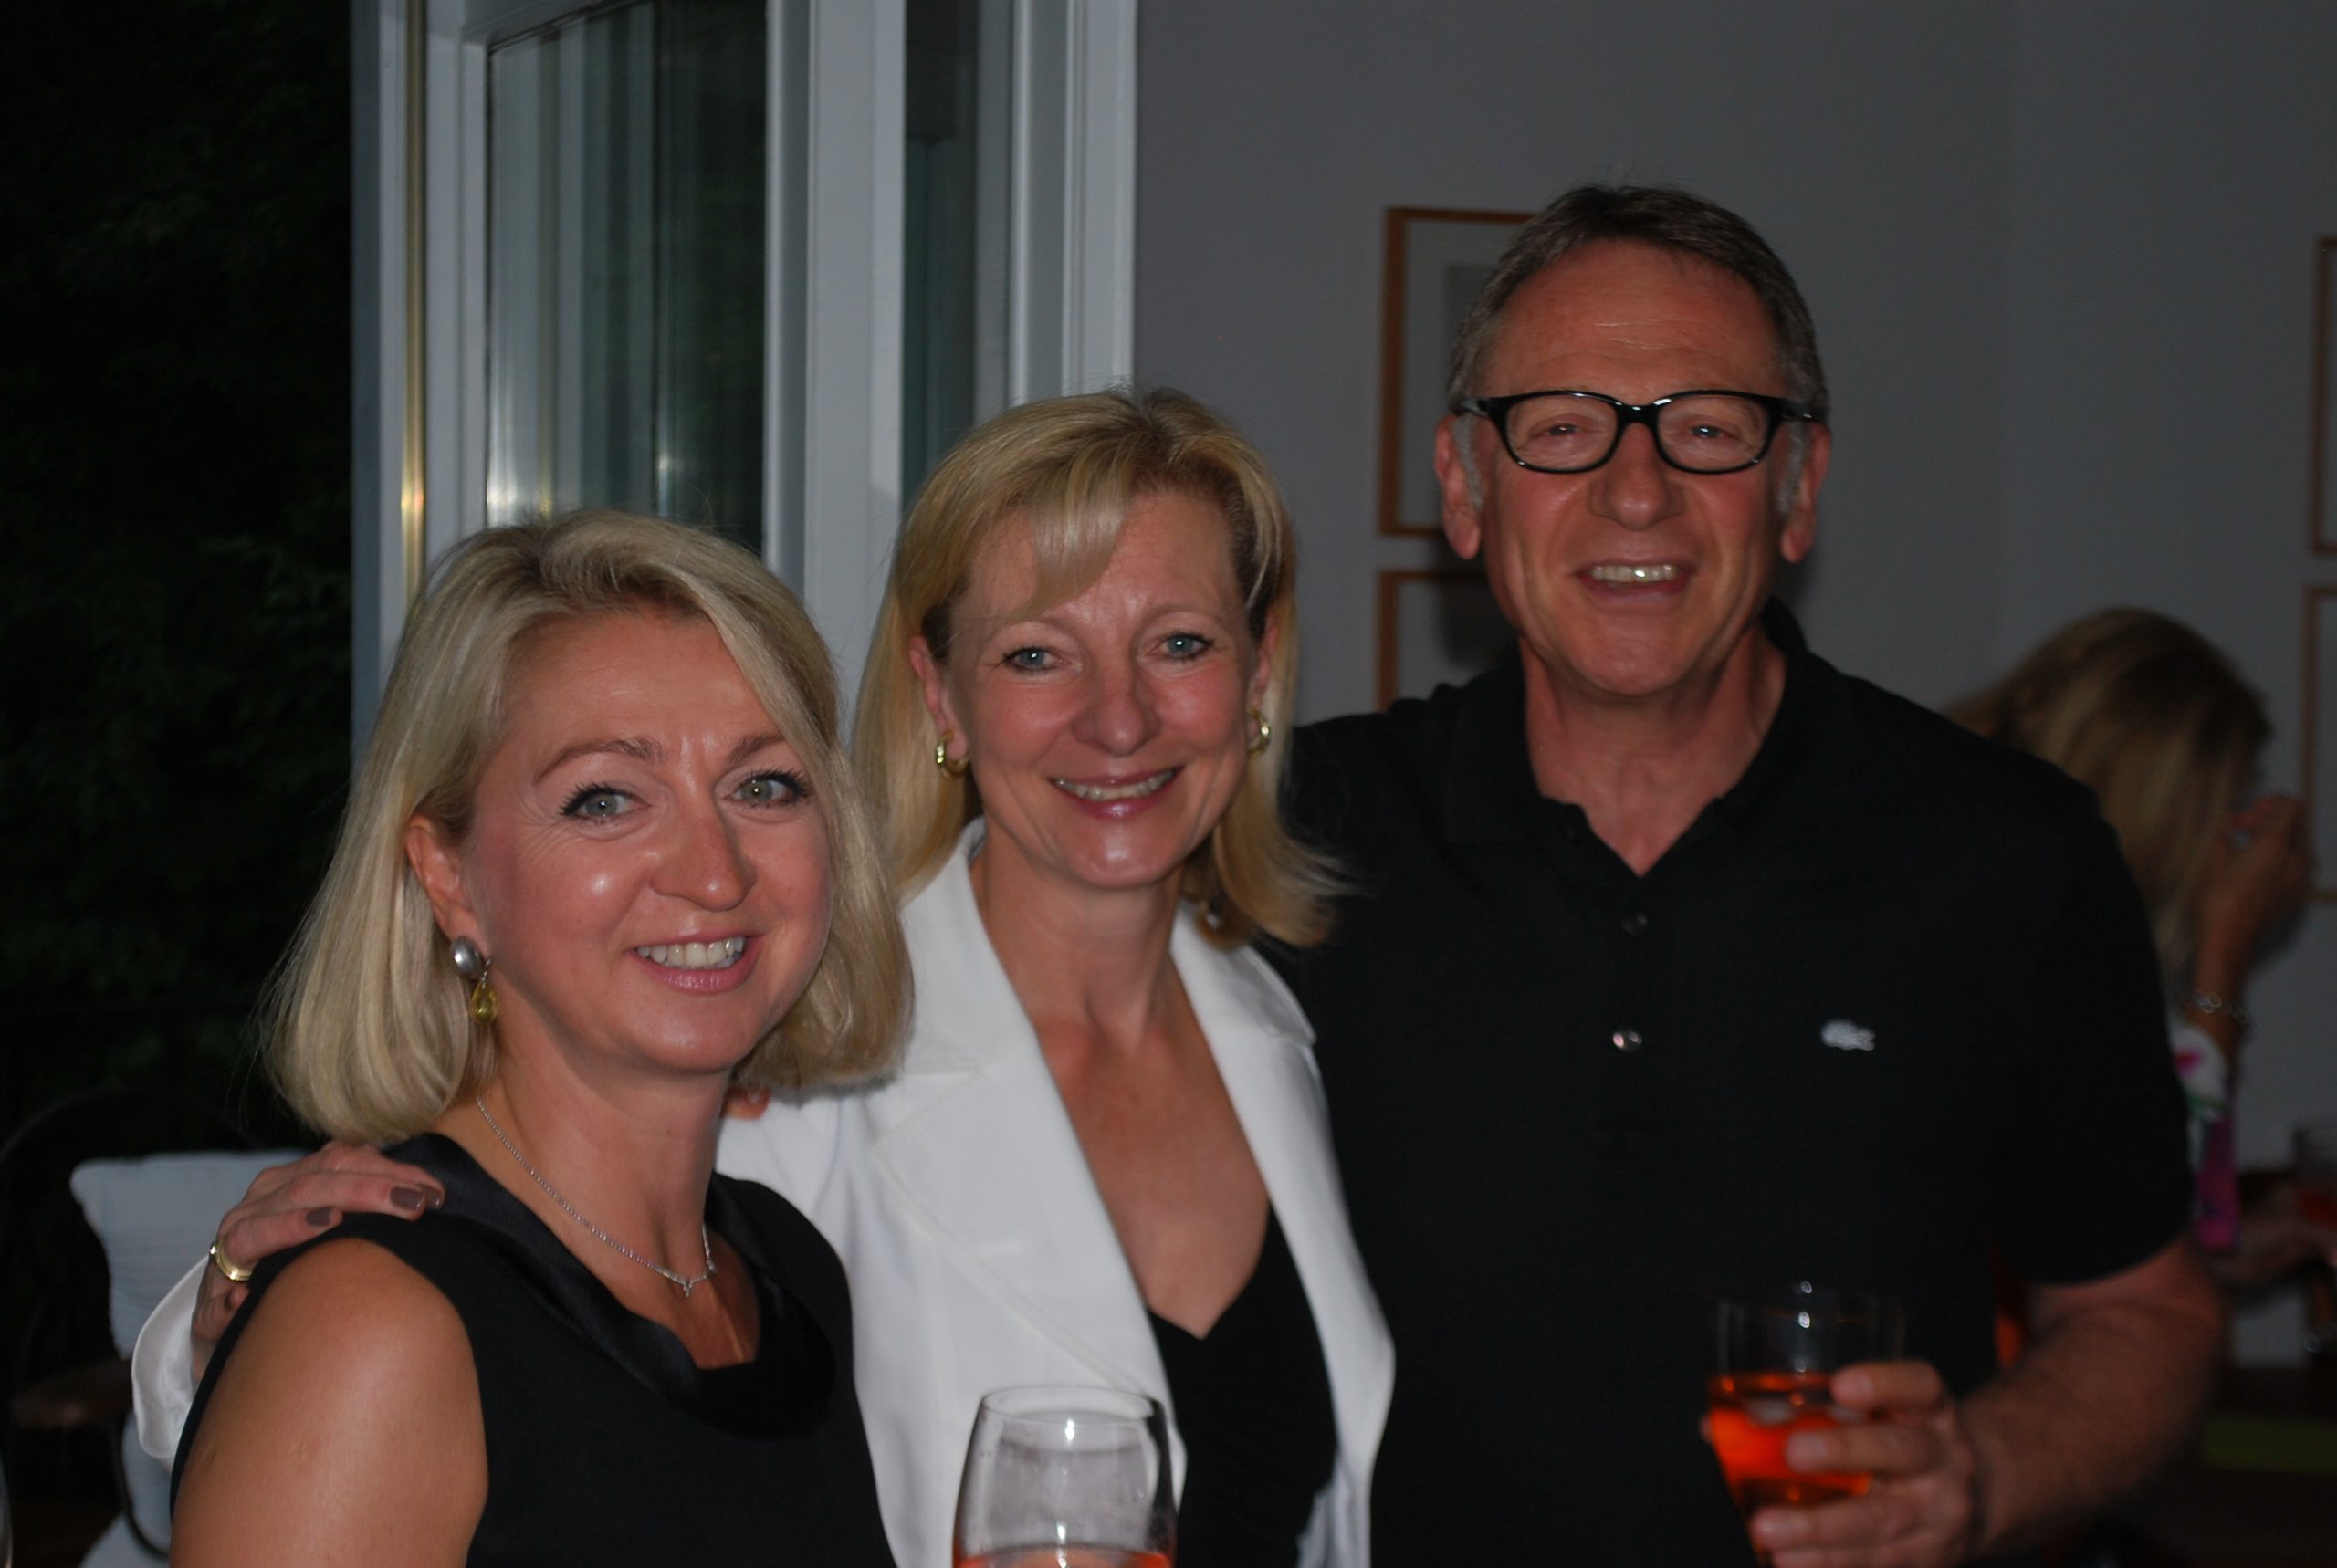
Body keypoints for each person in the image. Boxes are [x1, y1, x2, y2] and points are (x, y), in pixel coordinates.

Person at [138, 391, 1391, 1568]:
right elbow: (432, 1338)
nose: (1119, 718)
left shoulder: (1305, 1010)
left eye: (763, 784)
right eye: (606, 797)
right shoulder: (778, 1082)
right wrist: (236, 1302)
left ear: (1259, 669)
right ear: (938, 693)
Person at [1272, 186, 2224, 1567]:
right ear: (1465, 488)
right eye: (1562, 427)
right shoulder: (1293, 838)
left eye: (1709, 429)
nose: (1636, 489)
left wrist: (1986, 1471)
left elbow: (2148, 1312)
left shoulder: (2010, 858)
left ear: (1799, 488)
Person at [168, 511, 907, 1565]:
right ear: (447, 874)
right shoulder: (375, 1326)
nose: (715, 870)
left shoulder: (787, 1270)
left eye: (764, 784)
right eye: (605, 798)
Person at [1952, 608, 2318, 1282]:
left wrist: (2213, 1255)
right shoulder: (1993, 906)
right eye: (2217, 807)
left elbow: (2090, 1197)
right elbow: (2128, 1194)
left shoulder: (1972, 842)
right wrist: (2226, 942)